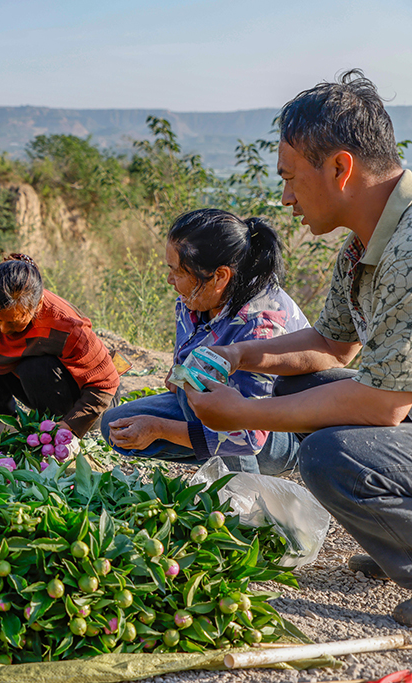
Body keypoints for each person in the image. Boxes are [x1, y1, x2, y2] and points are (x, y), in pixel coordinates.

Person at [183, 70, 412, 625]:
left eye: (290, 178)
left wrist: (245, 412)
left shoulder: (407, 252)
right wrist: (241, 356)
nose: (284, 198)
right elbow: (334, 345)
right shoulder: (363, 246)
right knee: (302, 386)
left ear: (340, 167)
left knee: (332, 456)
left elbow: (386, 406)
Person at [100, 209, 309, 474]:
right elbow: (182, 369)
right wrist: (179, 375)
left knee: (197, 381)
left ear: (220, 276)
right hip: (218, 412)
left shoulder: (260, 324)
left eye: (177, 272)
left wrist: (159, 428)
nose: (170, 280)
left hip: (279, 435)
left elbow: (250, 435)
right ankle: (218, 461)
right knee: (116, 425)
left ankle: (243, 489)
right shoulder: (195, 300)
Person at [0, 254, 120, 446]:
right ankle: (5, 421)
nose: (3, 330)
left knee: (35, 367)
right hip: (35, 387)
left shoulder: (66, 324)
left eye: (14, 324)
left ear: (37, 305)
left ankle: (57, 427)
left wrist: (67, 430)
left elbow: (105, 383)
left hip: (90, 402)